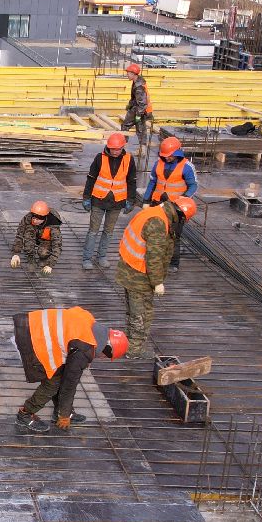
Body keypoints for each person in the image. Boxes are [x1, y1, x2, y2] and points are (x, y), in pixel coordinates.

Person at [13, 307, 127, 434]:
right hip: (34, 338)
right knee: (53, 382)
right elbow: (69, 384)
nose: (102, 357)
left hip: (31, 325)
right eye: (107, 356)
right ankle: (25, 414)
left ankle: (59, 411)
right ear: (108, 348)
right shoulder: (84, 349)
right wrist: (65, 415)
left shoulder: (91, 323)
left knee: (61, 373)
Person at [115, 195, 196, 359]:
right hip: (140, 277)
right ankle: (135, 350)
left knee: (133, 312)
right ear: (181, 215)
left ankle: (131, 345)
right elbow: (154, 258)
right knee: (142, 314)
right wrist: (158, 282)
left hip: (129, 270)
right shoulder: (158, 223)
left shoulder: (153, 212)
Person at [81, 132, 136, 270]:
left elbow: (131, 181)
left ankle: (102, 256)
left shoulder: (129, 160)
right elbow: (91, 178)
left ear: (123, 147)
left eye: (118, 149)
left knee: (108, 231)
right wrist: (86, 197)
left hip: (117, 202)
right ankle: (87, 258)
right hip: (98, 200)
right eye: (113, 149)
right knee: (93, 230)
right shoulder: (100, 158)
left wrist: (131, 200)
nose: (115, 152)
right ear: (108, 147)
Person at [144, 136, 198, 272]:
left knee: (174, 236)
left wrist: (184, 199)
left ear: (177, 153)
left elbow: (193, 186)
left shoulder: (187, 167)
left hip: (176, 208)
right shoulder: (158, 164)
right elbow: (152, 183)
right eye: (165, 156)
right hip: (158, 204)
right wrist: (146, 200)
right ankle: (154, 260)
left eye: (169, 156)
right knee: (154, 233)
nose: (167, 158)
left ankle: (173, 263)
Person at [10, 200, 62, 274]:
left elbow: (57, 245)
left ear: (44, 218)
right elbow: (19, 235)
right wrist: (16, 253)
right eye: (33, 218)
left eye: (37, 219)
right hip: (32, 236)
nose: (34, 220)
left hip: (45, 240)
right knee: (27, 236)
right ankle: (31, 259)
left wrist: (50, 265)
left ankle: (43, 259)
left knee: (43, 253)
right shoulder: (28, 218)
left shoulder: (53, 224)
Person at [123, 62, 153, 151]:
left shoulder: (139, 86)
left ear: (133, 74)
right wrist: (130, 104)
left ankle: (123, 147)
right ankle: (142, 149)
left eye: (128, 73)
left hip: (141, 109)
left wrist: (138, 115)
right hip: (141, 109)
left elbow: (142, 103)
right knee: (141, 129)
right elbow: (136, 98)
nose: (127, 74)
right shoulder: (137, 81)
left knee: (126, 126)